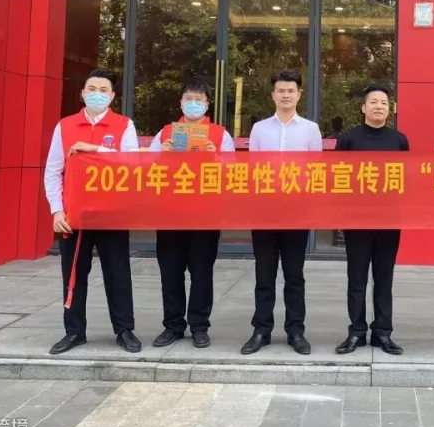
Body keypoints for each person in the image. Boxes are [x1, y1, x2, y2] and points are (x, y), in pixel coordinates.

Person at [44, 69, 141, 355]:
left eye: (103, 90)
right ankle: (74, 331)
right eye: (92, 89)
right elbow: (53, 171)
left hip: (112, 214)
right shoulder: (65, 126)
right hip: (74, 216)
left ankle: (124, 330)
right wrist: (57, 211)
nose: (97, 94)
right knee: (74, 275)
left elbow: (132, 163)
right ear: (82, 93)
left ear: (112, 96)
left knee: (118, 274)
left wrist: (94, 149)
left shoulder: (123, 125)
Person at [149, 78, 235, 350]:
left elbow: (235, 174)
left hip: (206, 215)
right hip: (170, 214)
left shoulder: (220, 135)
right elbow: (145, 171)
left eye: (199, 99)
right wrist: (160, 156)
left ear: (207, 105)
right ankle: (173, 325)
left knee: (201, 273)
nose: (194, 104)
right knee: (170, 272)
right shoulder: (165, 134)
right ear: (181, 102)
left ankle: (199, 326)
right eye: (189, 98)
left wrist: (216, 157)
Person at [241, 70, 323, 355]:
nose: (286, 95)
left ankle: (295, 331)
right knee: (264, 275)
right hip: (264, 212)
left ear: (299, 95)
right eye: (281, 90)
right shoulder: (260, 129)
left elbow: (316, 172)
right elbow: (253, 171)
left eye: (291, 90)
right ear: (273, 95)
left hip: (296, 213)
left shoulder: (310, 129)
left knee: (294, 276)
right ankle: (261, 330)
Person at [334, 85, 410, 356]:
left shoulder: (399, 140)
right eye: (374, 102)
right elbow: (337, 178)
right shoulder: (348, 139)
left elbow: (406, 179)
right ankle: (356, 332)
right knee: (356, 279)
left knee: (384, 278)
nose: (379, 106)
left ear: (390, 109)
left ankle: (383, 333)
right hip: (357, 221)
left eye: (384, 103)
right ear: (363, 108)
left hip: (389, 220)